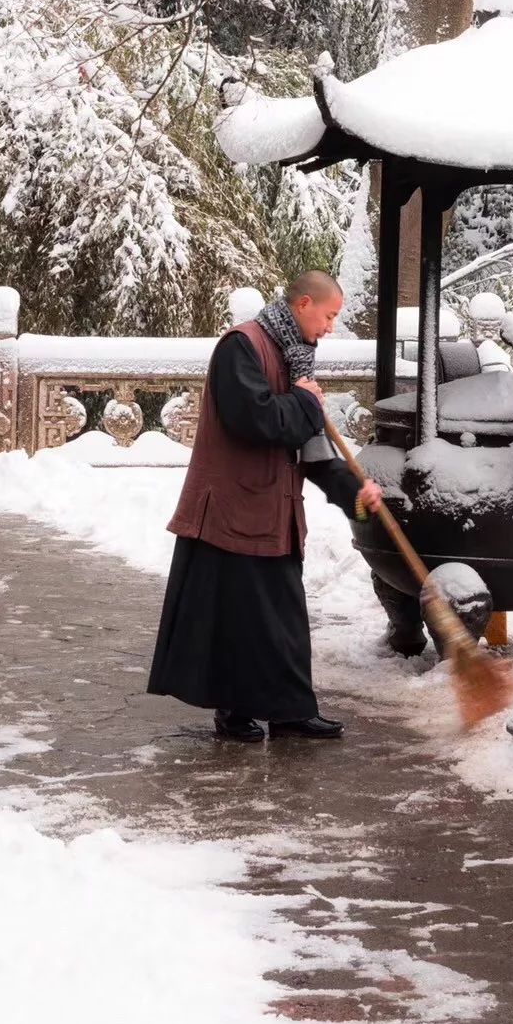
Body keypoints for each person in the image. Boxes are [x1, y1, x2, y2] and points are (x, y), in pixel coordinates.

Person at [147, 271, 382, 742]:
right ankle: (234, 712)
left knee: (282, 616)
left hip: (273, 513)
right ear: (302, 303)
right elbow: (255, 421)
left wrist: (354, 498)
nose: (331, 327)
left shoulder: (297, 362)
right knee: (234, 617)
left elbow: (310, 446)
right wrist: (303, 400)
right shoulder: (242, 347)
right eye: (329, 315)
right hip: (231, 510)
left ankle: (290, 710)